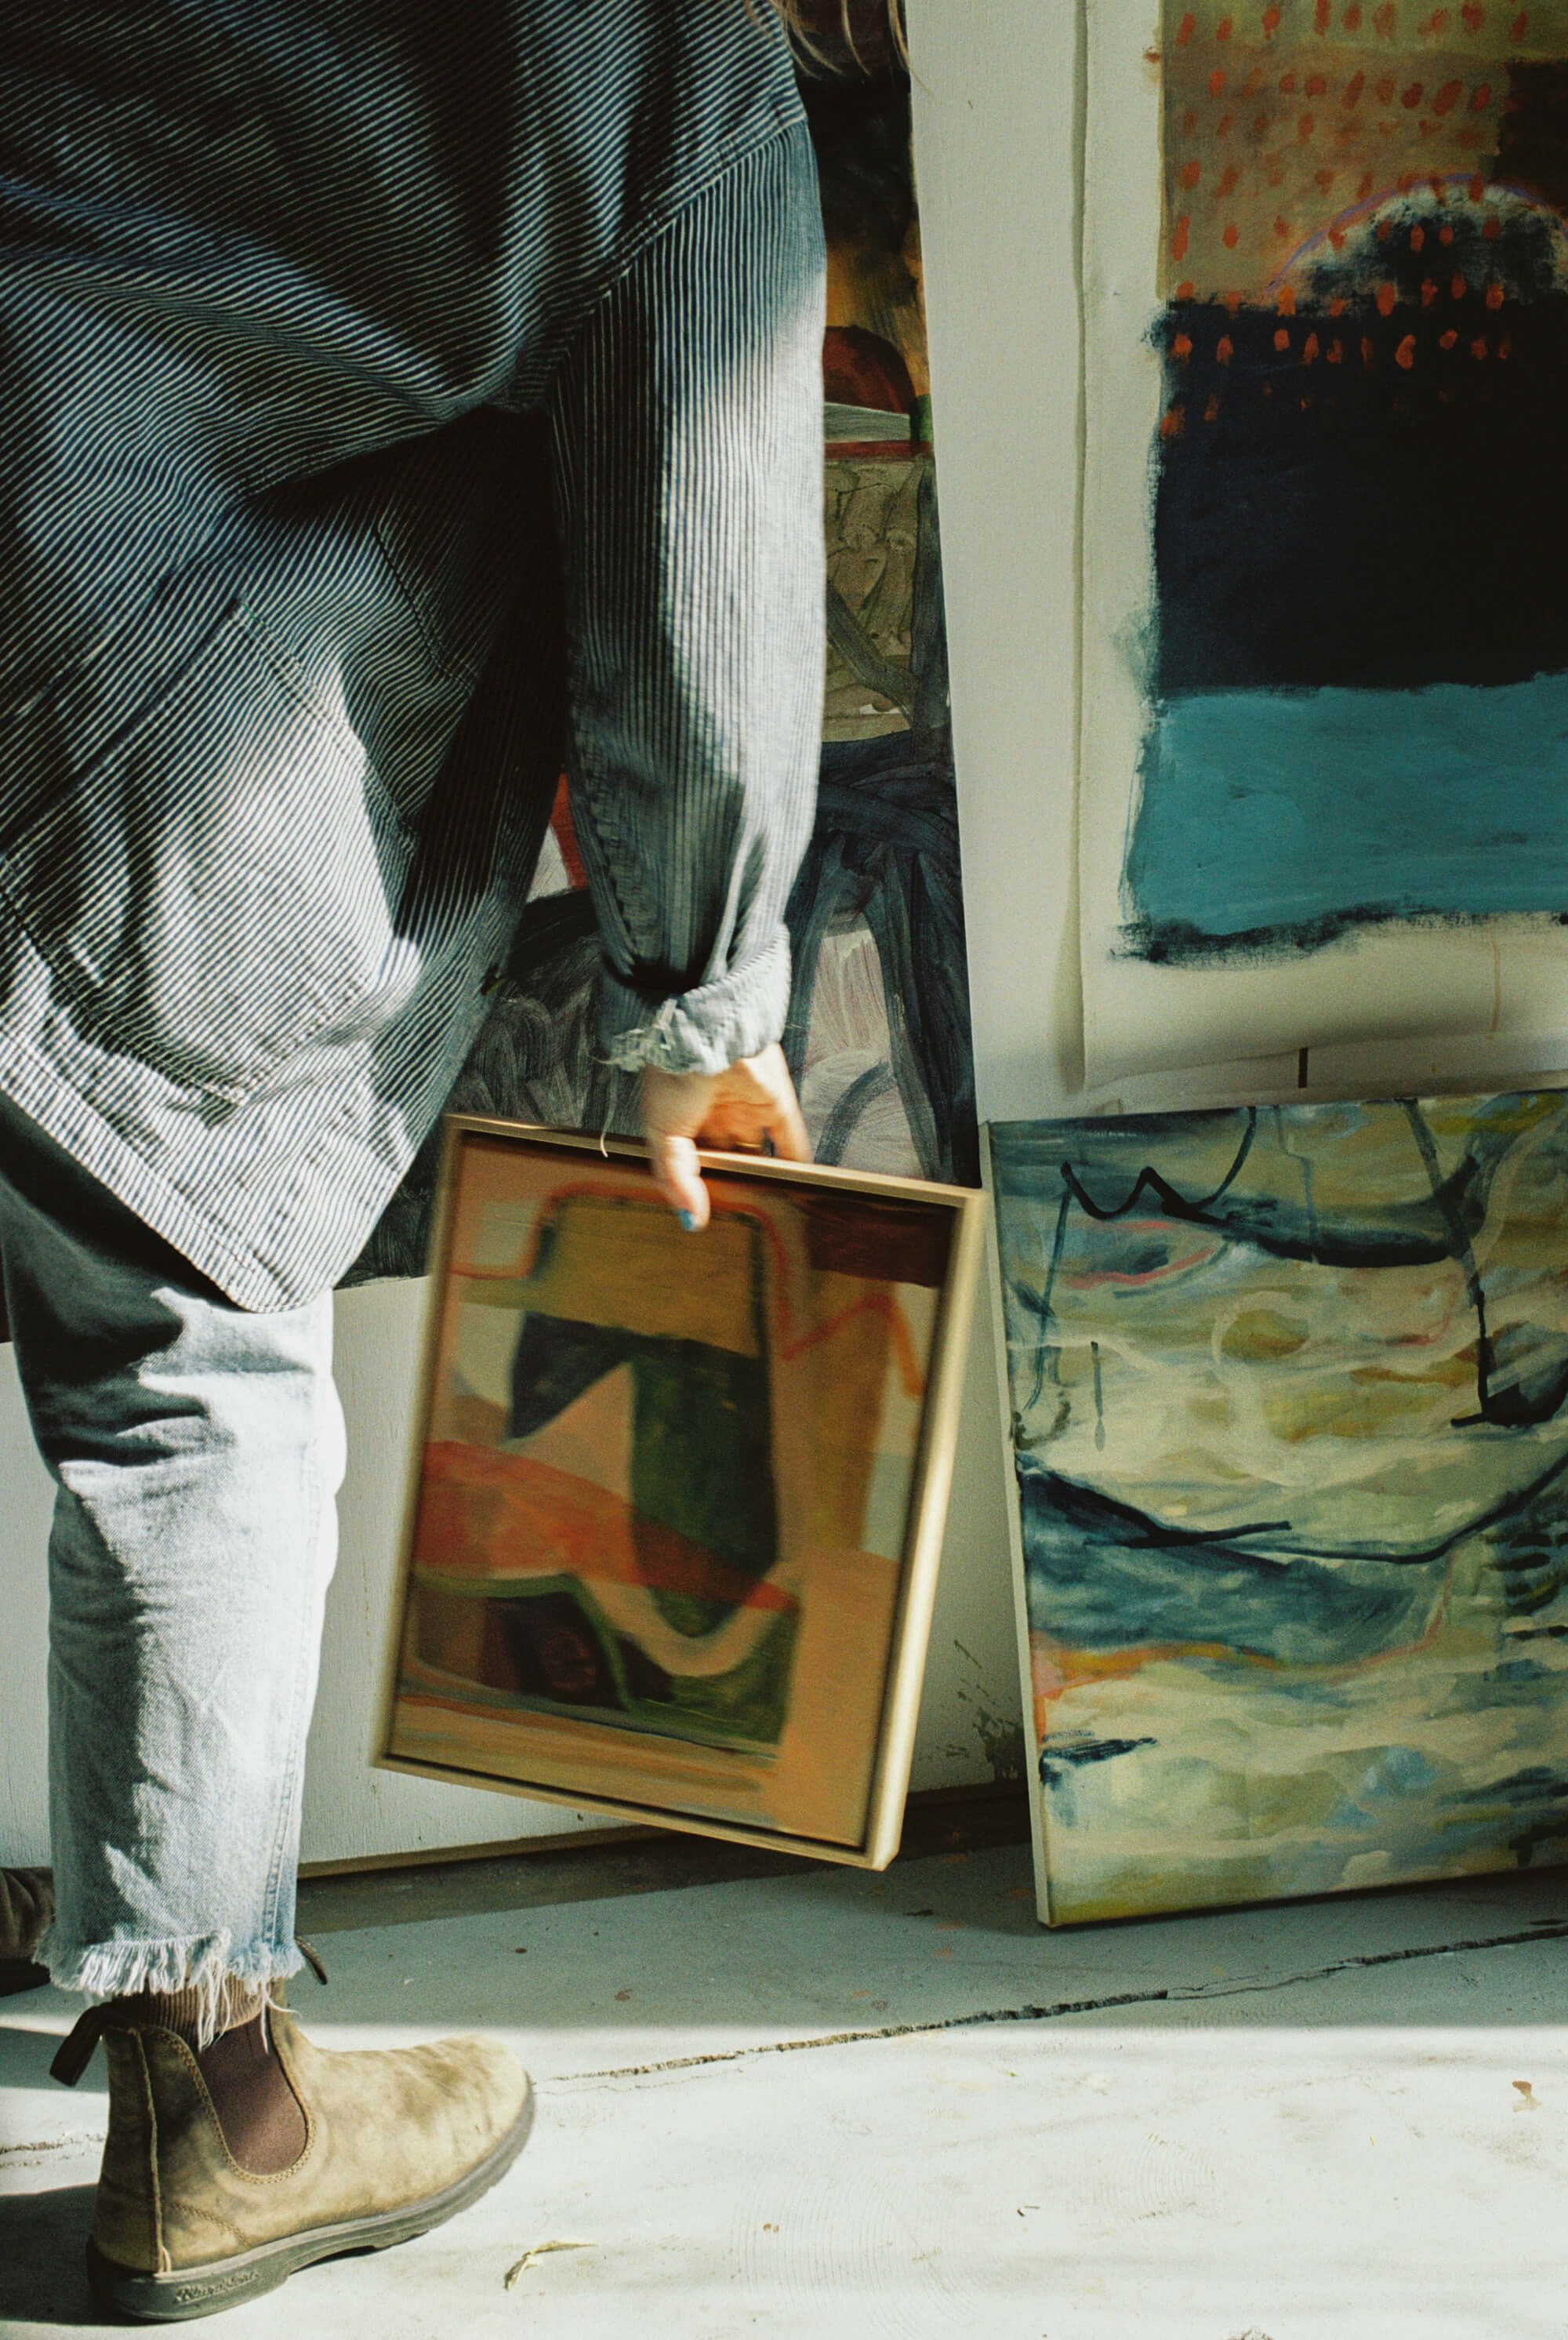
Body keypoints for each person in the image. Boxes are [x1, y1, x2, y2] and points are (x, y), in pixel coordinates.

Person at [0, 0, 833, 2316]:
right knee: (187, 1371)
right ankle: (224, 2114)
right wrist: (699, 995)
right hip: (150, 745)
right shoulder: (666, 46)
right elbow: (702, 516)